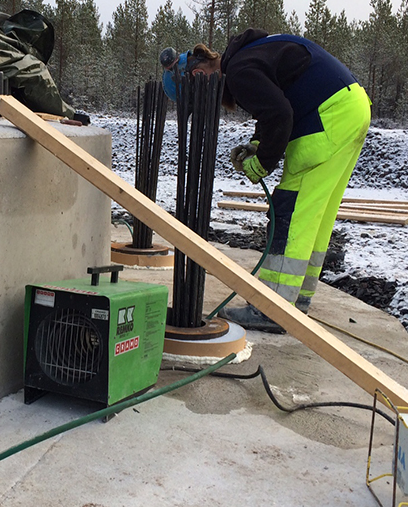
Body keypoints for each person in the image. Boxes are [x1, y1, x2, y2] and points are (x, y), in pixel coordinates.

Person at [159, 28, 371, 333]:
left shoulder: (238, 72)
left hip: (326, 118)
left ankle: (274, 310)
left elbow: (280, 115)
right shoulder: (248, 55)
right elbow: (275, 105)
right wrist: (258, 144)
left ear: (198, 75)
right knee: (315, 214)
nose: (213, 103)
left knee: (290, 212)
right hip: (351, 109)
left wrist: (262, 162)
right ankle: (297, 301)